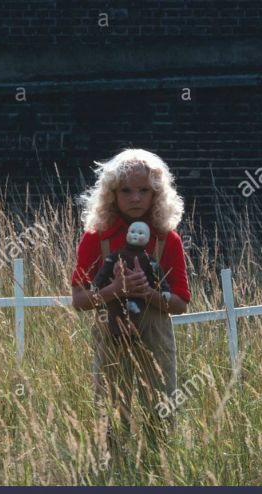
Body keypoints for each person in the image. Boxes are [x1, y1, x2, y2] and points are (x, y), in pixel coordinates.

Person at [70, 149, 191, 464]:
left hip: (156, 332)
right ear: (111, 193)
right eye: (126, 190)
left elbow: (180, 303)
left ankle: (159, 469)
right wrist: (114, 289)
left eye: (144, 190)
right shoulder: (97, 238)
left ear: (157, 194)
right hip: (110, 332)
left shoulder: (168, 240)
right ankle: (115, 471)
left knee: (161, 406)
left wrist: (148, 293)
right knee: (111, 407)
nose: (135, 198)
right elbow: (79, 300)